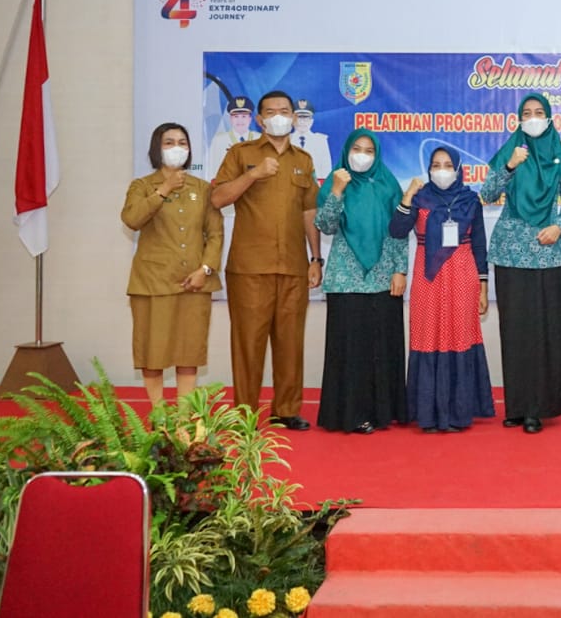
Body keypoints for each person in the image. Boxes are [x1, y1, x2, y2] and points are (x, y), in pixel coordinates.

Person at [210, 90, 323, 430]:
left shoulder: (303, 159)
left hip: (292, 265)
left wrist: (316, 258)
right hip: (249, 267)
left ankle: (286, 409)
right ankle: (245, 414)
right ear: (259, 120)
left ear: (293, 118)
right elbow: (217, 198)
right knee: (248, 343)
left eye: (284, 111)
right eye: (271, 111)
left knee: (290, 341)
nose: (278, 116)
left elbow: (309, 212)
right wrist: (252, 175)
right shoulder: (240, 154)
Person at [480, 93, 561, 434]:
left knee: (546, 332)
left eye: (539, 113)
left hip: (551, 256)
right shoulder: (511, 153)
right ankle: (517, 406)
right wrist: (510, 165)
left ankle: (539, 407)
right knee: (516, 331)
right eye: (527, 113)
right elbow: (488, 193)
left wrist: (558, 226)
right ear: (519, 119)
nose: (533, 117)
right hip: (511, 254)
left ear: (549, 118)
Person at [391, 148, 495, 433]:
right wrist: (407, 197)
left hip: (463, 274)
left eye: (448, 165)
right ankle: (428, 413)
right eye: (435, 165)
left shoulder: (470, 200)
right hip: (428, 278)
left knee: (459, 336)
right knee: (428, 335)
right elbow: (397, 230)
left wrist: (483, 288)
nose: (441, 170)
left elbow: (479, 246)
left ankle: (458, 413)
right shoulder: (420, 198)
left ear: (458, 168)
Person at [314, 129, 408, 434]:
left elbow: (398, 230)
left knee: (380, 348)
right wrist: (338, 191)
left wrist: (400, 270)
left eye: (369, 150)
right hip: (345, 278)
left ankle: (381, 412)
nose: (363, 155)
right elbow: (326, 226)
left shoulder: (387, 184)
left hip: (382, 277)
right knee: (350, 350)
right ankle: (350, 414)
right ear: (346, 151)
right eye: (357, 148)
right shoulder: (335, 182)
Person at [121, 123, 222, 405]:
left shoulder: (203, 189)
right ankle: (158, 415)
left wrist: (205, 269)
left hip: (194, 282)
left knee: (188, 352)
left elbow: (215, 233)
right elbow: (132, 219)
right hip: (153, 282)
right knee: (152, 352)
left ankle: (183, 417)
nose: (177, 148)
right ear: (157, 148)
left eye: (182, 143)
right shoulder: (141, 186)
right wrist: (163, 189)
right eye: (169, 142)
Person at [207, 95, 258, 179]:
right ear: (230, 118)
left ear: (250, 119)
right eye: (236, 116)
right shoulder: (219, 140)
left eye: (244, 116)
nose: (240, 121)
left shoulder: (259, 139)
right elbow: (212, 170)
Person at [293, 98, 334, 181]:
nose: (302, 122)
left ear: (311, 121)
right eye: (299, 118)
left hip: (314, 187)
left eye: (306, 118)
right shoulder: (285, 140)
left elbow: (326, 171)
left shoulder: (320, 141)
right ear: (292, 120)